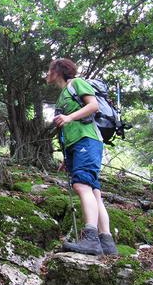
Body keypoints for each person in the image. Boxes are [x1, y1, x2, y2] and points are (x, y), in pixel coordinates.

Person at [46, 58, 118, 255]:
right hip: (77, 145)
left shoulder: (77, 83)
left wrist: (69, 117)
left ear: (58, 71)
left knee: (81, 185)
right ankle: (107, 242)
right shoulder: (63, 95)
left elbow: (93, 106)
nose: (47, 74)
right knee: (94, 192)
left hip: (87, 140)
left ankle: (91, 239)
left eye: (49, 70)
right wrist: (67, 159)